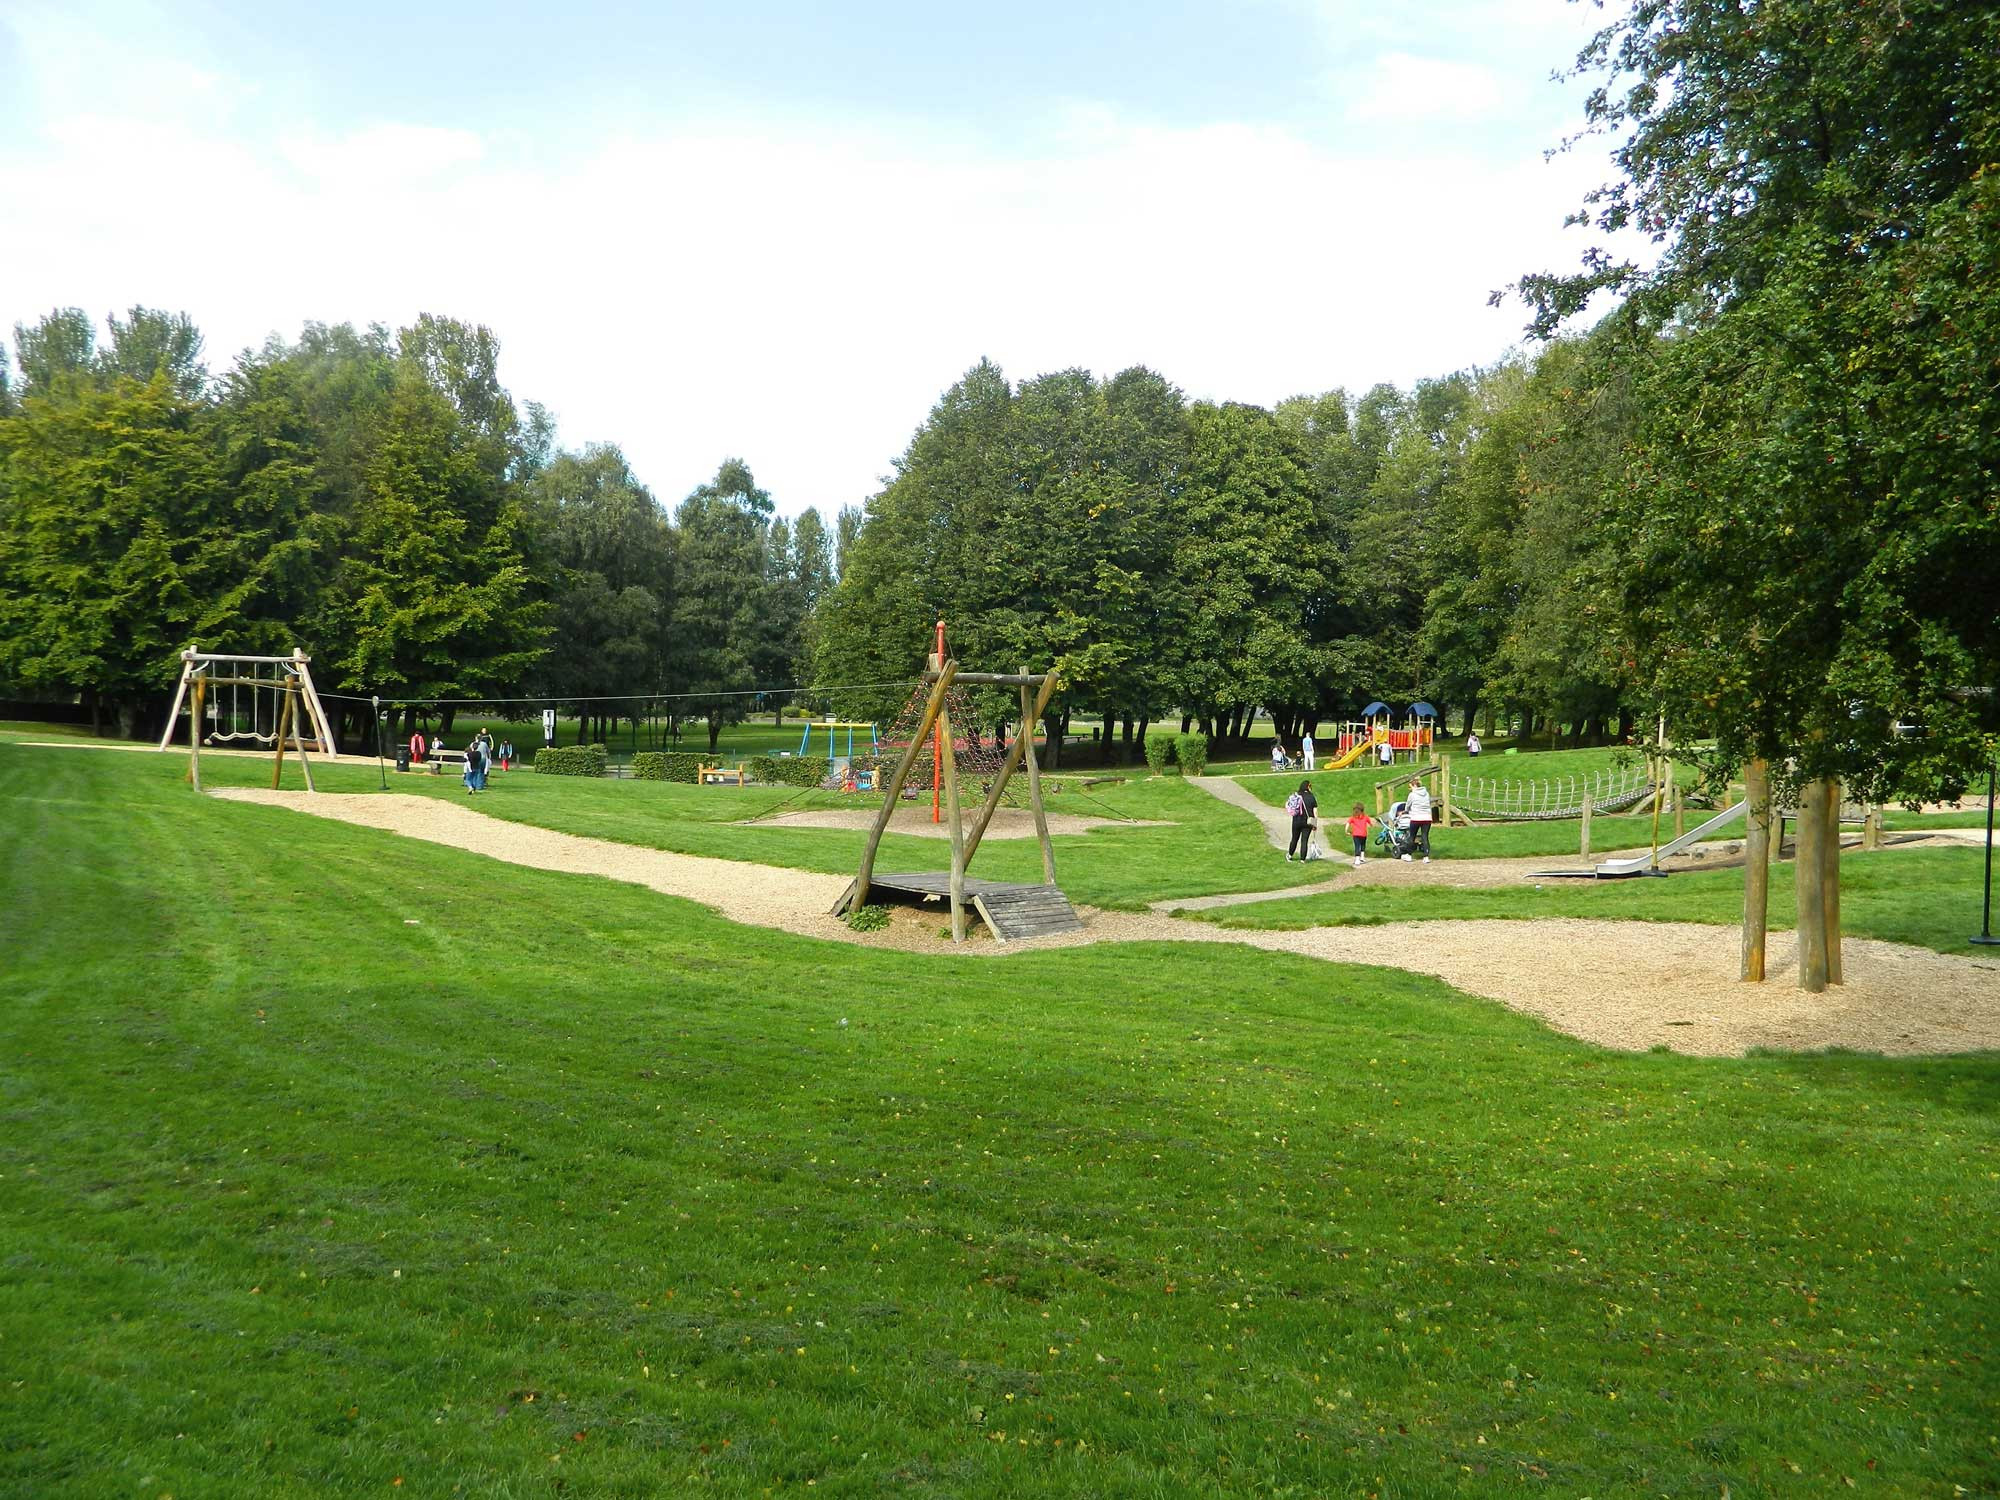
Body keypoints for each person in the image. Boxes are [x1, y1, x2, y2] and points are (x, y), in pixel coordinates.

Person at [1284, 779, 1318, 862]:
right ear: (1308, 787)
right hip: (1308, 822)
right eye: (1310, 786)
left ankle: (1290, 855)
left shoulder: (1297, 796)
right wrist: (1315, 824)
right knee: (1304, 840)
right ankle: (1302, 859)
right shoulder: (1311, 797)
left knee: (1294, 839)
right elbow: (1315, 812)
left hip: (1297, 820)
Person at [1404, 776, 1433, 862]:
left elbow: (1407, 805)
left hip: (1416, 818)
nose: (1410, 789)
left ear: (1414, 786)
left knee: (1412, 836)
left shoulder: (1412, 795)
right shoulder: (1426, 793)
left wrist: (1406, 811)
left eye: (1410, 787)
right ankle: (1426, 857)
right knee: (1425, 837)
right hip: (1427, 818)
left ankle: (1409, 855)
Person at [1345, 802, 1374, 867]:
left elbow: (1348, 823)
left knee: (1357, 846)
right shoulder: (1365, 817)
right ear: (1362, 810)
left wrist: (1346, 830)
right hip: (1364, 834)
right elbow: (1370, 823)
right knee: (1363, 845)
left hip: (1356, 834)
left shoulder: (1353, 817)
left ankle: (1357, 859)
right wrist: (1371, 825)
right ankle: (1362, 857)